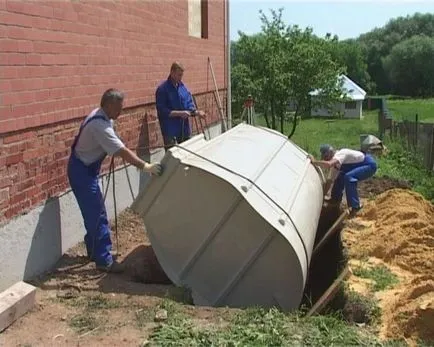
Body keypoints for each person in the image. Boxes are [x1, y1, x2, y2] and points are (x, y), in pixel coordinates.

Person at [67, 88, 163, 273]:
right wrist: (145, 166)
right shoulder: (99, 125)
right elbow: (121, 151)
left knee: (94, 212)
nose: (121, 112)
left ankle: (94, 251)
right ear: (109, 105)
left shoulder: (103, 117)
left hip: (86, 169)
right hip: (82, 172)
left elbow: (115, 141)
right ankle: (104, 261)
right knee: (97, 214)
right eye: (119, 108)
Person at [309, 144, 378, 216]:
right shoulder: (336, 166)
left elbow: (328, 164)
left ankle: (355, 207)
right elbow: (329, 182)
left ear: (331, 152)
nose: (326, 159)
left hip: (369, 165)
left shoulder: (340, 154)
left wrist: (314, 162)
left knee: (348, 177)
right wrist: (322, 197)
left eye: (326, 156)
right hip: (362, 166)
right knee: (340, 178)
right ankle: (335, 200)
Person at [155, 61, 206, 150]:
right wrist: (180, 113)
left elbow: (189, 105)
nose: (180, 78)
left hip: (184, 129)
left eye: (182, 75)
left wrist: (197, 112)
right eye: (179, 75)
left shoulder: (183, 87)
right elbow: (162, 111)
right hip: (170, 130)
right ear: (172, 72)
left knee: (187, 153)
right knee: (173, 157)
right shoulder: (162, 89)